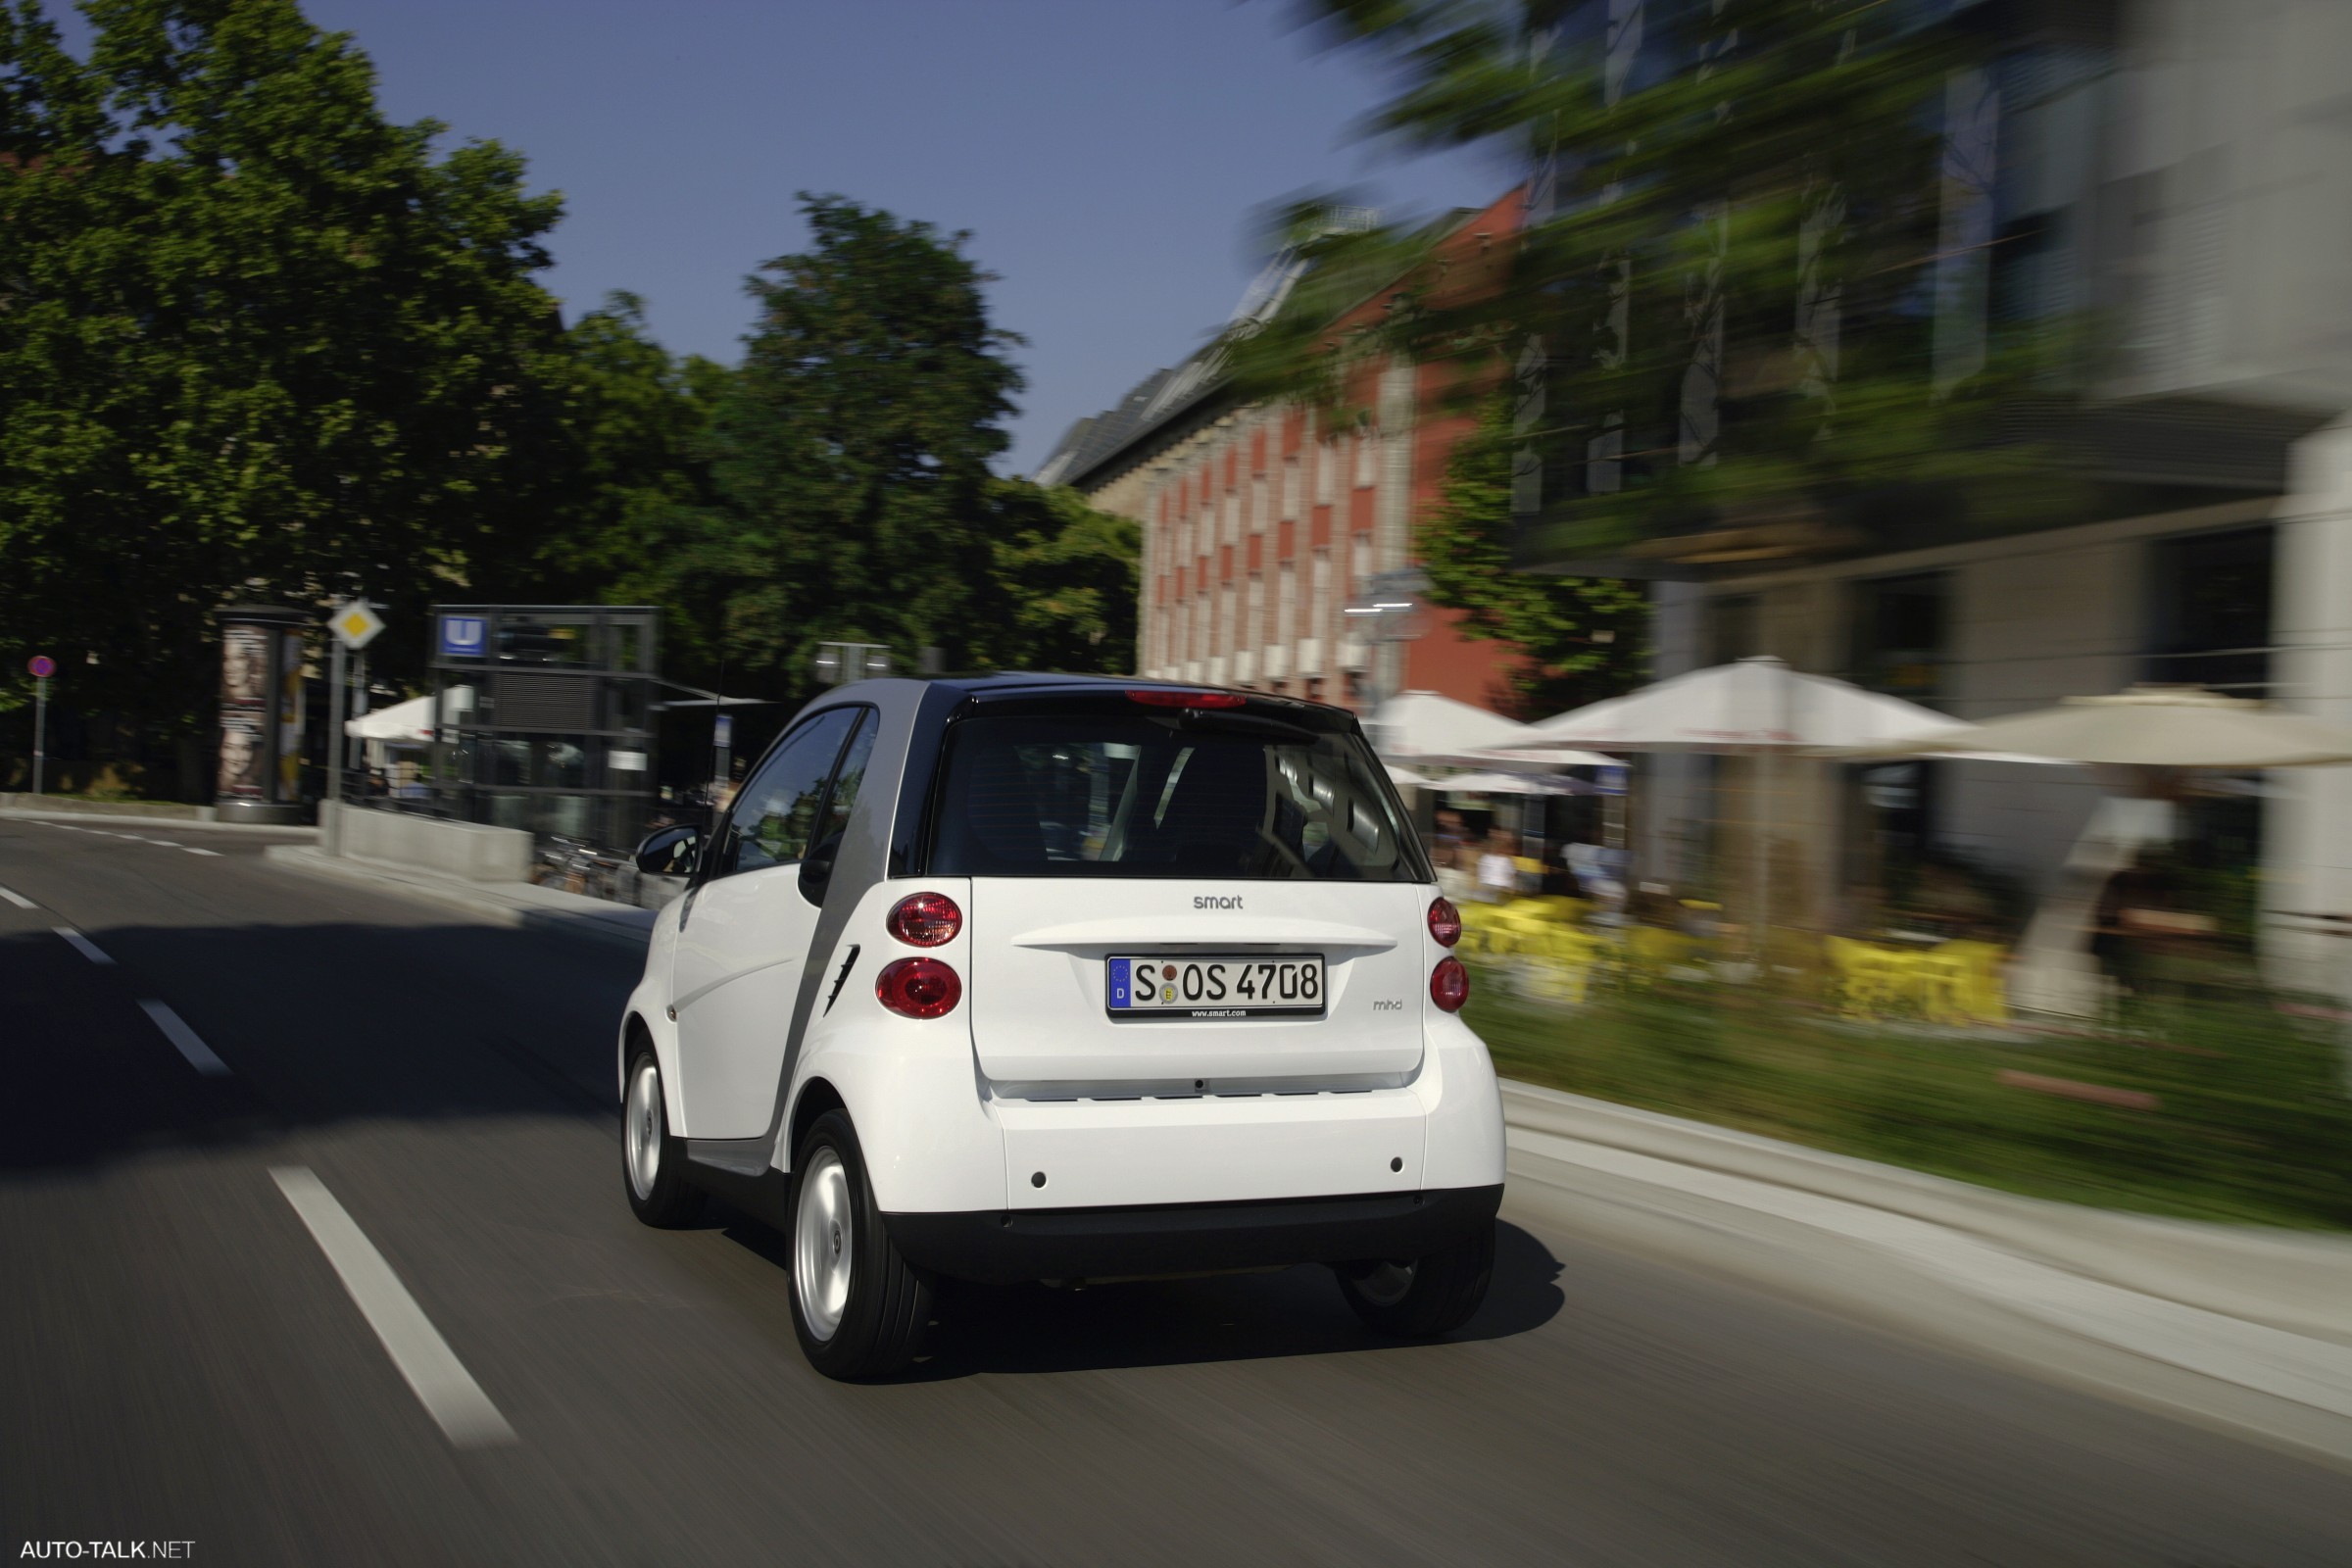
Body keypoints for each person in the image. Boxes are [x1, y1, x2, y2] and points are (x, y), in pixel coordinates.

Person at [1476, 829, 1520, 904]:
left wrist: (1511, 887)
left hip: (1501, 888)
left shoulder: (1505, 860)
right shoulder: (1486, 858)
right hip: (1490, 887)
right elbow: (1481, 873)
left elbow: (1512, 875)